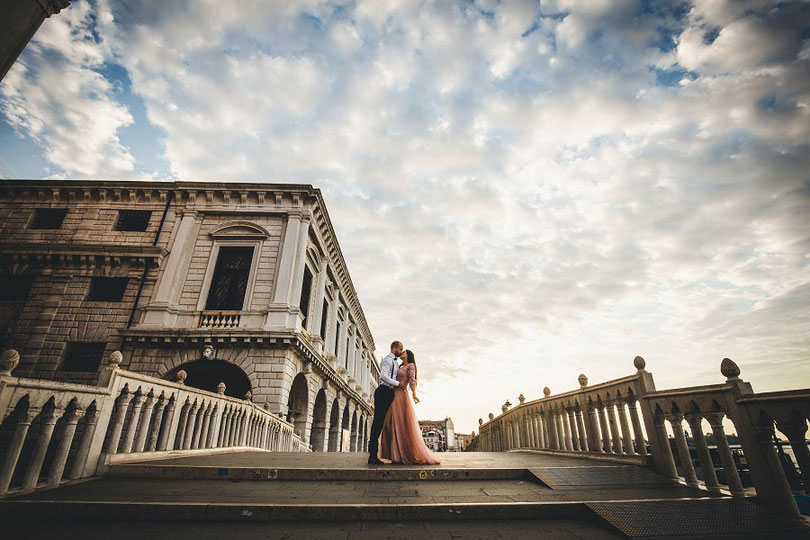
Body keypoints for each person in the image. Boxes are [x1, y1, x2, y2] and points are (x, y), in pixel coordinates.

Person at [379, 349, 440, 465]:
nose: (402, 353)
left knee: (399, 423)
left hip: (400, 395)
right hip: (393, 394)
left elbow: (412, 380)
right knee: (389, 422)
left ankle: (401, 454)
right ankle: (392, 454)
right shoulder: (400, 365)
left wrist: (414, 394)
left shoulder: (411, 366)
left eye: (404, 352)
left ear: (408, 355)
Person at [368, 340, 403, 464]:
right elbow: (383, 376)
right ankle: (372, 455)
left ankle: (393, 453)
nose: (401, 351)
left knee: (387, 423)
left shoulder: (396, 362)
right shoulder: (388, 360)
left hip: (389, 393)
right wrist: (398, 383)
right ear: (394, 348)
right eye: (400, 349)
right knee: (378, 423)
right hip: (383, 391)